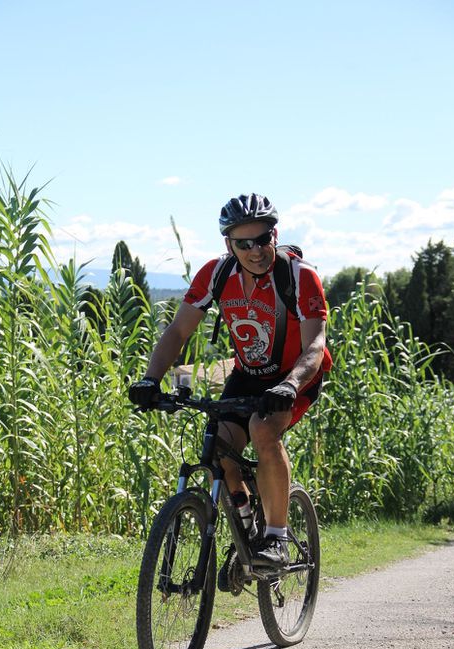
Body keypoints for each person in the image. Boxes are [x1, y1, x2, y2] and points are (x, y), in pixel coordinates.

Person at [129, 193, 332, 582]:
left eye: (262, 239)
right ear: (229, 245)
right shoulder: (217, 274)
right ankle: (245, 532)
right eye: (244, 243)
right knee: (219, 445)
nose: (255, 250)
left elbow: (315, 344)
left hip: (298, 374)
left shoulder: (299, 276)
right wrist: (151, 379)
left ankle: (276, 537)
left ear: (275, 235)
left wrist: (290, 384)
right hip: (250, 373)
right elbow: (178, 330)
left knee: (262, 429)